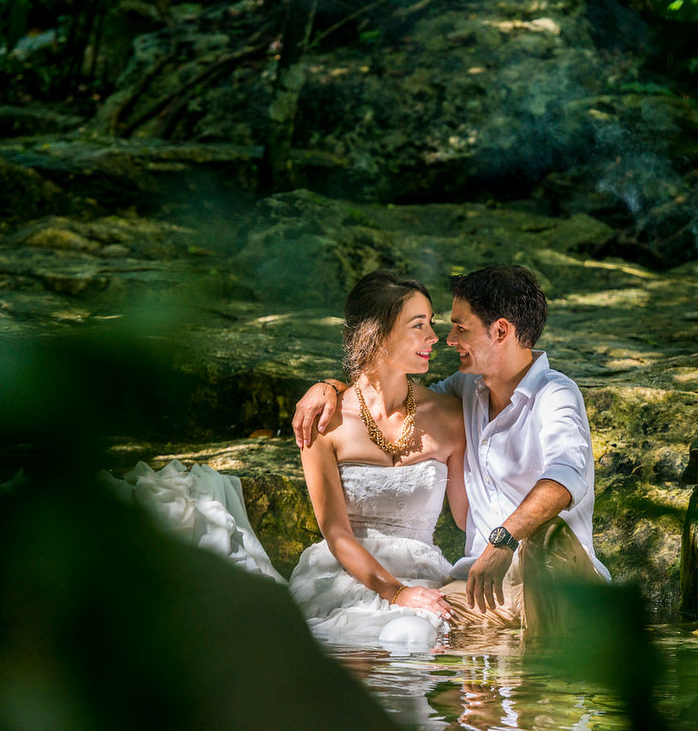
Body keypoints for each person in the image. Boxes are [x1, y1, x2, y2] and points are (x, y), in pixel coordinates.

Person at [108, 270, 467, 648]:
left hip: (425, 576)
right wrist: (394, 593)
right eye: (419, 325)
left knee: (414, 638)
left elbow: (468, 516)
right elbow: (336, 532)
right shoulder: (323, 420)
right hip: (344, 575)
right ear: (377, 335)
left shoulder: (449, 416)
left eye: (430, 324)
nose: (434, 338)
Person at [295, 265, 609, 636]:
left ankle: (544, 678)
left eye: (460, 328)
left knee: (545, 537)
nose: (446, 339)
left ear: (501, 331)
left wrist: (503, 539)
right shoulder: (464, 391)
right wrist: (328, 386)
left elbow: (565, 478)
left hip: (550, 570)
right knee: (412, 633)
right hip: (480, 587)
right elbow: (384, 394)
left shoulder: (555, 395)